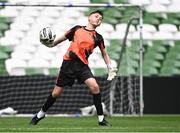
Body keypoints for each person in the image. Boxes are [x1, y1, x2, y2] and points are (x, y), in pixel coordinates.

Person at [30, 10, 117, 126]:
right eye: (96, 16)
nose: (98, 19)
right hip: (68, 64)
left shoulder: (99, 38)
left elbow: (104, 54)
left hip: (82, 67)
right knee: (56, 94)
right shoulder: (77, 29)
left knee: (95, 87)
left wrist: (110, 67)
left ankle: (101, 120)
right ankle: (40, 114)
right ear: (89, 18)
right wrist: (47, 43)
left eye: (100, 18)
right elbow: (55, 43)